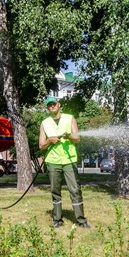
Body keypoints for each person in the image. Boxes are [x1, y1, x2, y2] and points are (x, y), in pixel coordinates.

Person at [39, 97, 90, 229]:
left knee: (75, 190)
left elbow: (77, 138)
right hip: (53, 161)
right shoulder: (44, 123)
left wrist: (68, 135)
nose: (52, 106)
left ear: (58, 105)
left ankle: (81, 220)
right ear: (47, 108)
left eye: (53, 104)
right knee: (55, 191)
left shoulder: (70, 118)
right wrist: (50, 140)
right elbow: (41, 145)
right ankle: (57, 219)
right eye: (49, 105)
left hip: (69, 160)